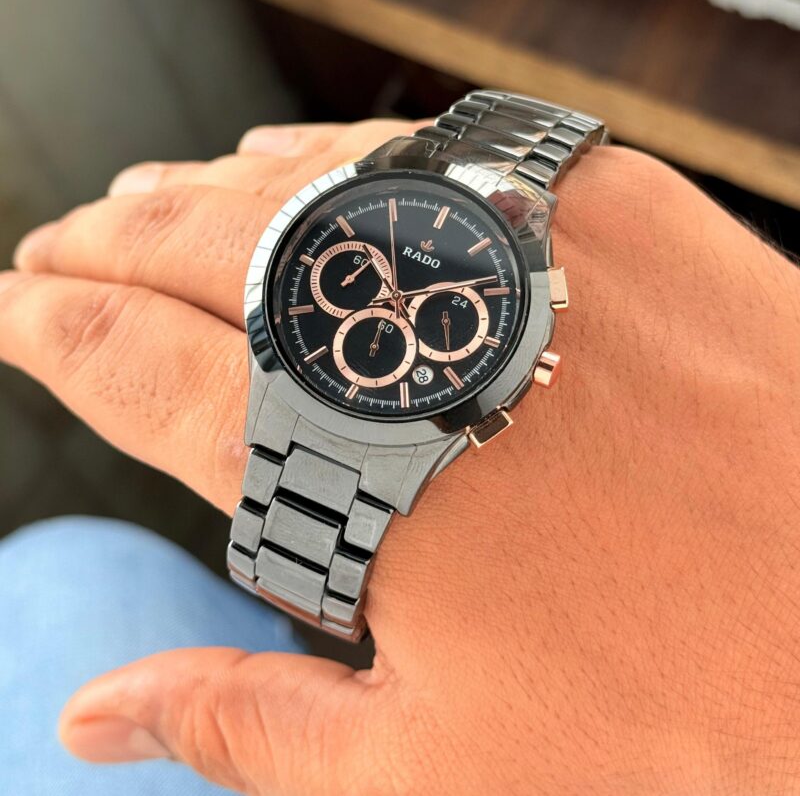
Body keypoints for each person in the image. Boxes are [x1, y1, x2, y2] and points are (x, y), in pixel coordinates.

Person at [0, 117, 798, 796]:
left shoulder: (515, 357)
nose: (393, 302)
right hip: (338, 355)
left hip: (402, 397)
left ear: (531, 358)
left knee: (64, 566)